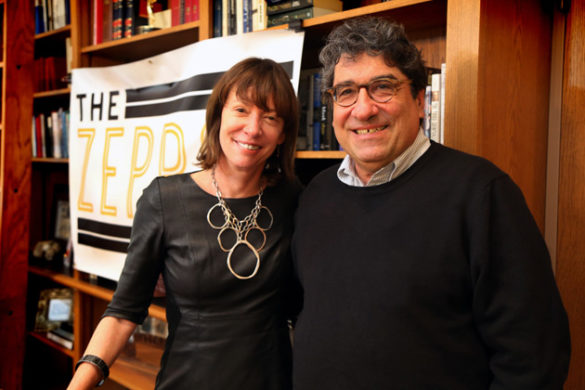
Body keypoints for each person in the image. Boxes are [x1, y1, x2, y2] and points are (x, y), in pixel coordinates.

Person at [291, 17, 570, 389]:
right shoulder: (316, 194)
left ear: (420, 100)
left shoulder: (481, 194)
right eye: (346, 92)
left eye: (382, 87)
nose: (363, 109)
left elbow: (533, 355)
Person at [68, 57, 301, 390]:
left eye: (270, 117)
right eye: (241, 110)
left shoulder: (295, 198)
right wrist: (80, 383)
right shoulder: (164, 199)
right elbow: (124, 312)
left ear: (282, 134)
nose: (253, 128)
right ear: (219, 114)